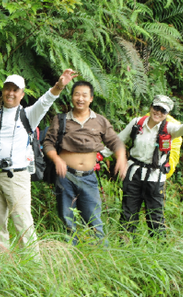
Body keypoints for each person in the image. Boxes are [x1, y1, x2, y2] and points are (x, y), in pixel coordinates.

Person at [0, 69, 78, 252]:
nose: (11, 93)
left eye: (16, 90)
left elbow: (45, 101)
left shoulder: (28, 115)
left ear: (22, 94)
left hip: (17, 176)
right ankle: (2, 265)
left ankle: (34, 266)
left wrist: (59, 86)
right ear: (3, 90)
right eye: (8, 88)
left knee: (23, 223)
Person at [102, 95, 183, 237]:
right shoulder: (137, 123)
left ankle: (159, 247)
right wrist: (99, 155)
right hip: (134, 174)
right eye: (156, 108)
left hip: (155, 177)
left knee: (155, 216)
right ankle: (125, 244)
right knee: (128, 212)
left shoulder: (169, 128)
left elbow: (181, 129)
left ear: (167, 114)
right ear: (151, 107)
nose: (158, 112)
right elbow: (119, 140)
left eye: (163, 110)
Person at [43, 81, 128, 245]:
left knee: (94, 219)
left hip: (89, 178)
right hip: (65, 176)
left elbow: (115, 141)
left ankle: (103, 257)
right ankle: (70, 256)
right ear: (72, 97)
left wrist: (122, 158)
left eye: (84, 95)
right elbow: (48, 144)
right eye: (76, 94)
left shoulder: (100, 121)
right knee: (67, 220)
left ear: (91, 99)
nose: (80, 98)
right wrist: (56, 159)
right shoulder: (61, 120)